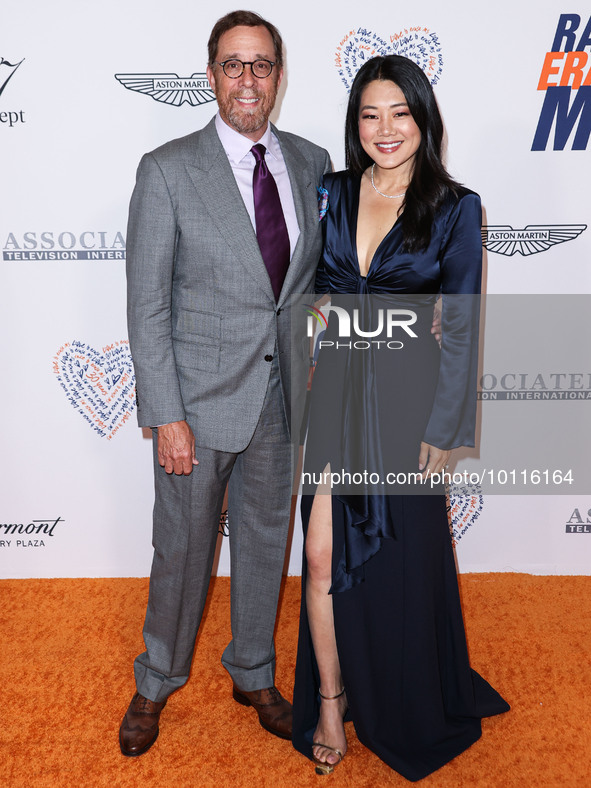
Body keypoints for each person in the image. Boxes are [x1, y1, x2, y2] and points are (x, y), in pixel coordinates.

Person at [292, 55, 509, 781]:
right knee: (320, 553)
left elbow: (463, 322)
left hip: (412, 400)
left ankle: (412, 691)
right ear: (354, 124)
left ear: (421, 118)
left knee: (401, 566)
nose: (384, 130)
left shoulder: (455, 206)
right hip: (338, 392)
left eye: (399, 113)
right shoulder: (331, 192)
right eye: (368, 114)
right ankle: (330, 698)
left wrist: (447, 426)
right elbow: (315, 290)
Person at [120, 10, 331, 757]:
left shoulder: (310, 162)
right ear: (210, 75)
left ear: (278, 75)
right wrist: (164, 413)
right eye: (233, 64)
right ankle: (155, 682)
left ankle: (251, 670)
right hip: (196, 406)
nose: (248, 79)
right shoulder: (168, 169)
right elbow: (146, 305)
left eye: (262, 64)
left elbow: (311, 283)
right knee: (180, 549)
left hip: (282, 400)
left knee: (266, 543)